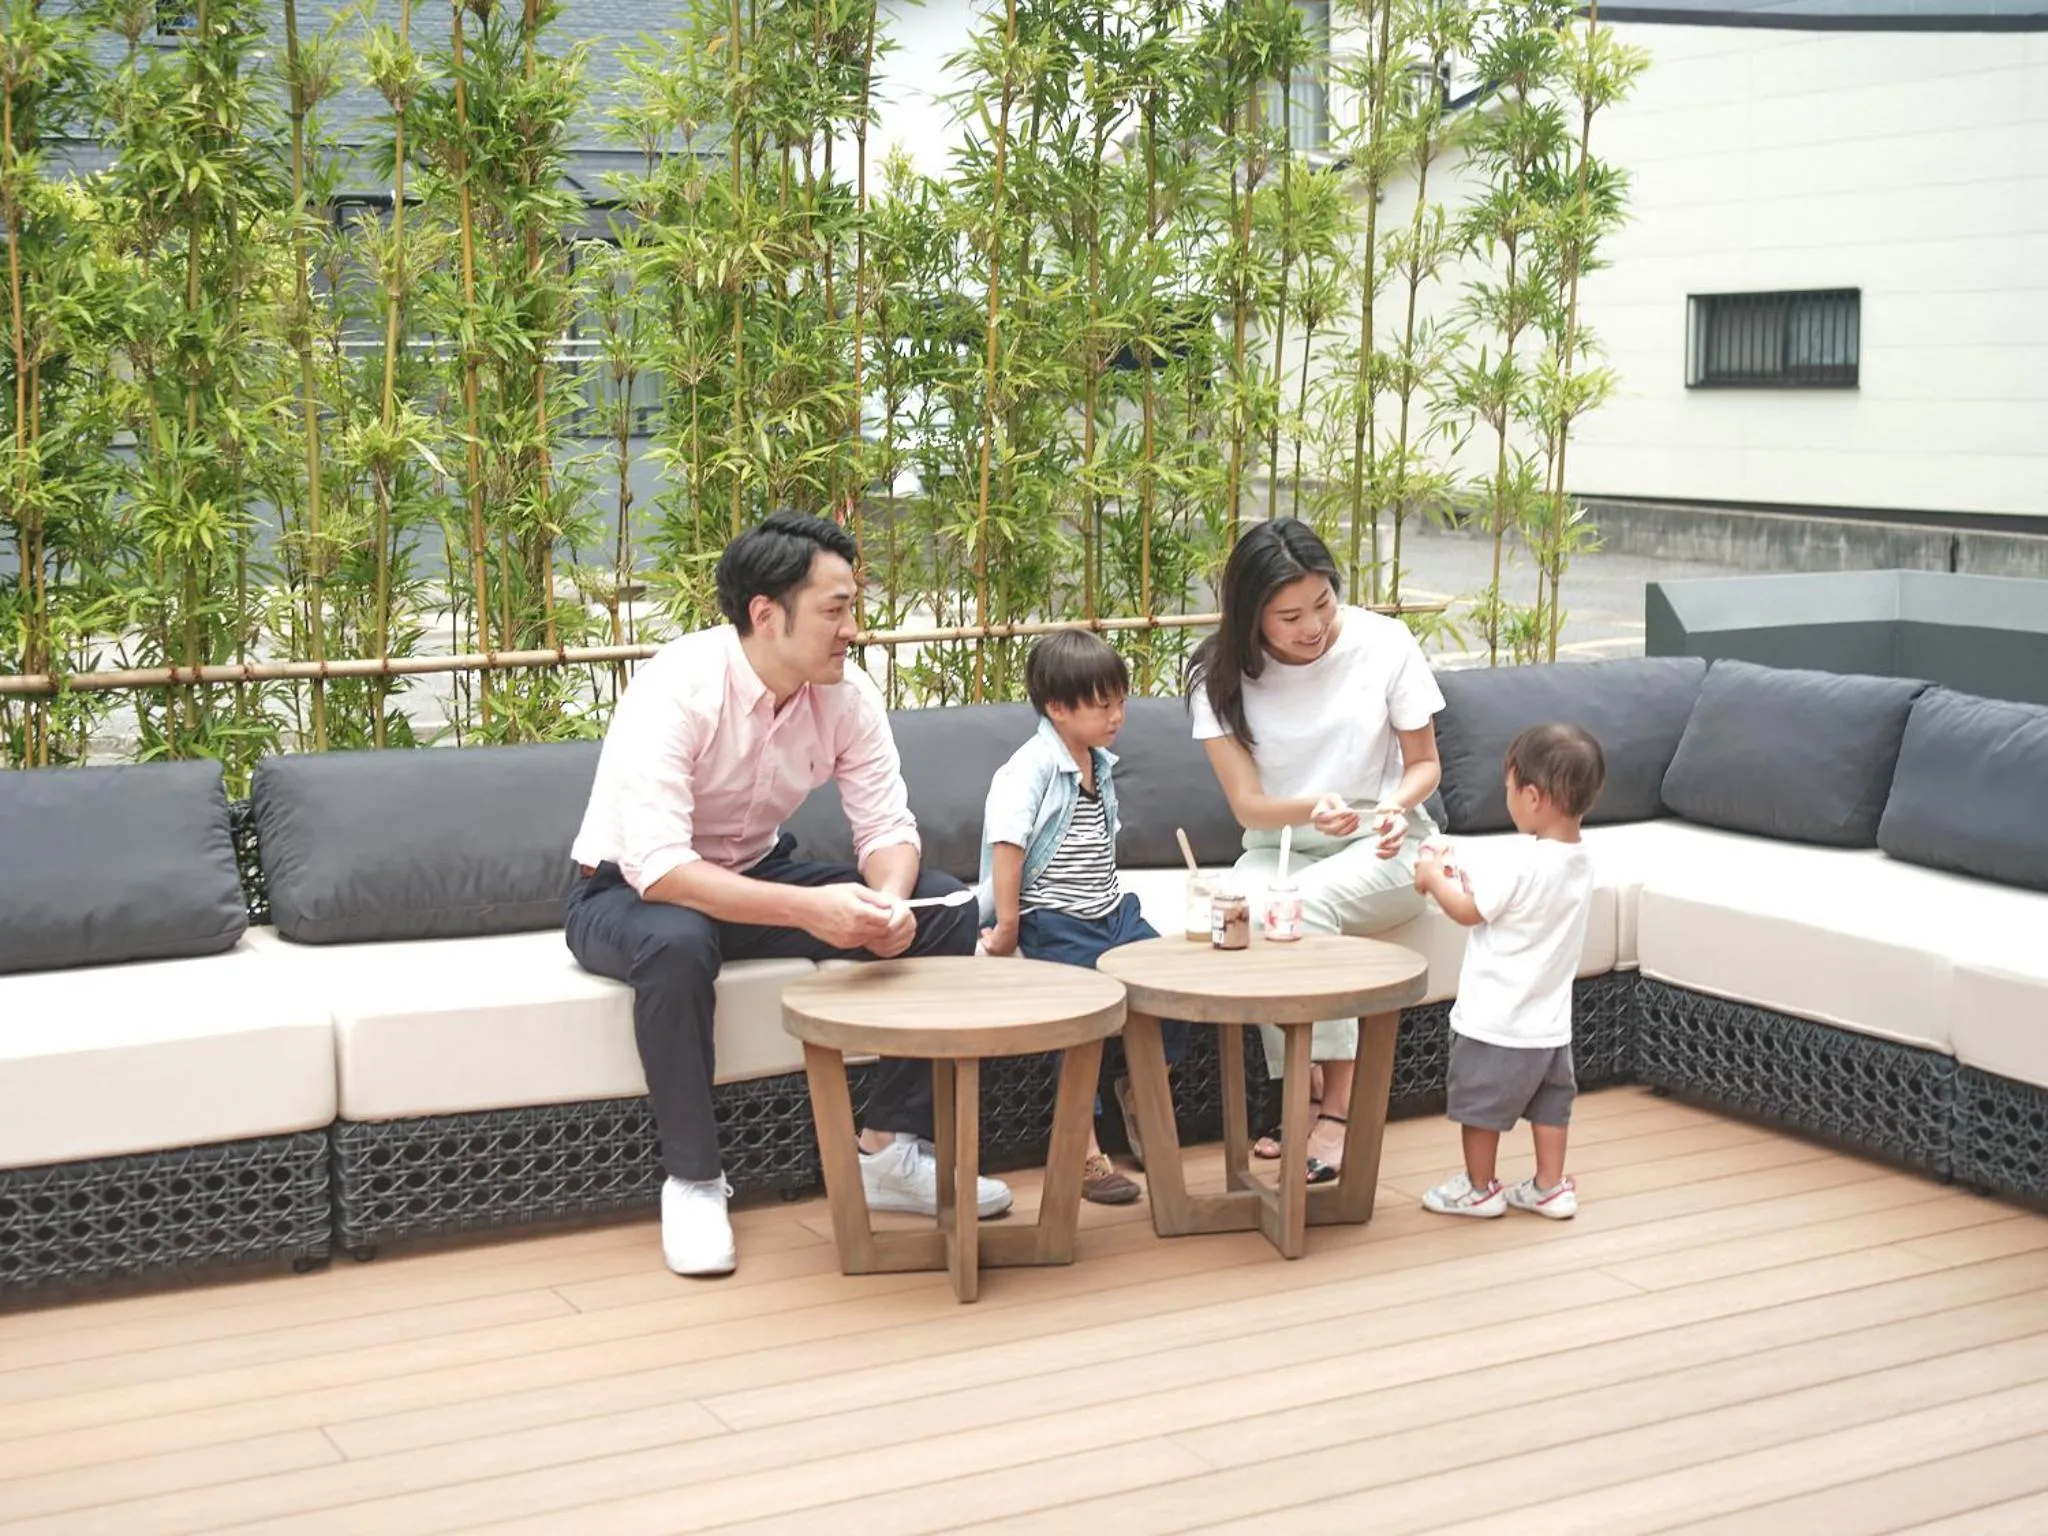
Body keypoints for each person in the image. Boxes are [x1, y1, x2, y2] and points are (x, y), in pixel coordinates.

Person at [566, 511, 1012, 1277]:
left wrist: (888, 903)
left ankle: (885, 1150)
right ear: (766, 614)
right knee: (678, 941)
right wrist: (816, 912)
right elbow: (662, 871)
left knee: (944, 909)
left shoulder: (846, 693)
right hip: (624, 892)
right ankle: (695, 1182)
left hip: (757, 871)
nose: (853, 629)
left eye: (853, 607)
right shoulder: (677, 686)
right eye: (834, 610)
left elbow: (887, 830)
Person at [1188, 518, 1446, 1183]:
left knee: (1296, 908)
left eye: (1324, 603)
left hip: (1387, 842)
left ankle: (1337, 1109)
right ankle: (1294, 1093)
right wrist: (1311, 808)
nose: (1313, 627)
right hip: (1280, 842)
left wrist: (1390, 809)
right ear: (1251, 617)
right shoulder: (1216, 676)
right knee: (1247, 906)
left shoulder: (1384, 643)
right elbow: (1247, 805)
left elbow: (1424, 765)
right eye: (1288, 616)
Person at [976, 630, 1188, 1206]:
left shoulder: (1097, 761)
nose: (1117, 715)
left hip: (1110, 912)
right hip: (1056, 921)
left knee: (1176, 985)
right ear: (1057, 708)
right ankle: (1082, 1150)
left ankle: (1140, 1092)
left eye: (1120, 701)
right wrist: (1011, 926)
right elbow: (1008, 846)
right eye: (1102, 705)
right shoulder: (1031, 768)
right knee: (1078, 1025)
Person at [1416, 723, 1605, 1220]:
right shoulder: (1580, 861)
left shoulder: (1521, 860)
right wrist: (1467, 883)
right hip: (1547, 1025)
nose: (1508, 800)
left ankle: (1480, 1188)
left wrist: (1435, 878)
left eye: (1509, 789)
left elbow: (1468, 912)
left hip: (1495, 1020)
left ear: (1533, 795)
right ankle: (1549, 1185)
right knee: (1550, 1106)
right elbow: (1518, 907)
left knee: (1480, 1107)